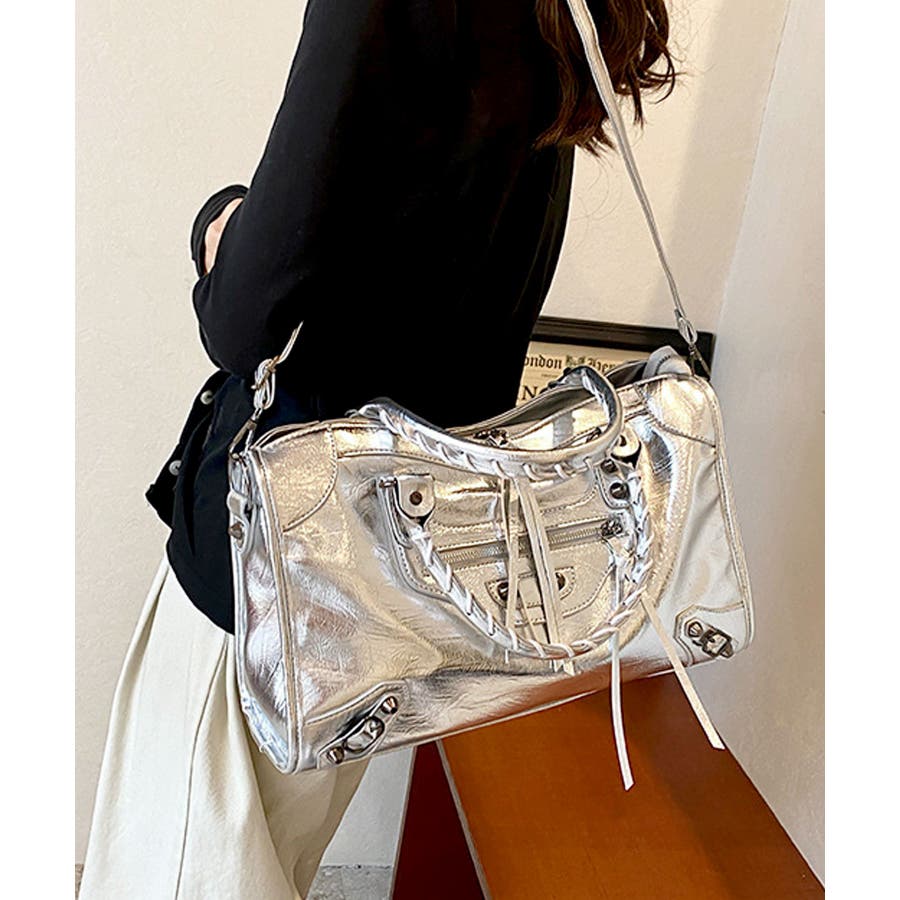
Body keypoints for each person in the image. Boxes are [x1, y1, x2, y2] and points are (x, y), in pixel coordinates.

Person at [79, 1, 678, 896]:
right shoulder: (565, 13)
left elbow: (248, 317)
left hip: (272, 562)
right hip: (394, 575)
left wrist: (217, 224)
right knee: (273, 861)